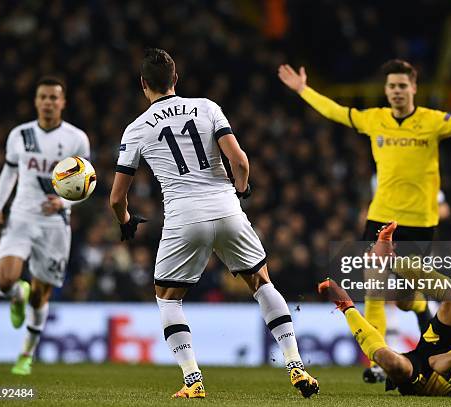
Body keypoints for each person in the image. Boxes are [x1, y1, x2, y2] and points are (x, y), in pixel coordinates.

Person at [279, 59, 451, 382]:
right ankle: (377, 361)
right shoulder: (374, 119)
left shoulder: (432, 121)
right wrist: (304, 90)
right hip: (380, 215)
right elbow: (334, 111)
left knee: (402, 299)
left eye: (402, 85)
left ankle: (416, 307)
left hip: (419, 223)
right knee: (375, 287)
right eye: (391, 86)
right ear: (386, 90)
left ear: (414, 88)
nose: (397, 91)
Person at [109, 48, 319, 399]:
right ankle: (295, 363)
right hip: (226, 208)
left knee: (168, 298)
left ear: (143, 84)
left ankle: (193, 380)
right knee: (261, 283)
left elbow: (117, 198)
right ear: (175, 79)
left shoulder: (136, 128)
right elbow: (239, 160)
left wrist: (126, 221)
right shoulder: (206, 107)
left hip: (184, 217)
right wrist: (241, 189)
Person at [318, 222, 451, 397]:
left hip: (426, 376)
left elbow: (434, 362)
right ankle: (391, 261)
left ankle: (345, 306)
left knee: (390, 362)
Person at [0, 76, 91, 375]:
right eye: (43, 97)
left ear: (63, 102)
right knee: (5, 282)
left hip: (55, 223)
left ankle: (26, 355)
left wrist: (65, 203)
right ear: (35, 101)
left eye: (53, 97)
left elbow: (86, 184)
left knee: (40, 295)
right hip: (21, 215)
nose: (48, 102)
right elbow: (9, 174)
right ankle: (16, 296)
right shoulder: (19, 135)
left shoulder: (77, 138)